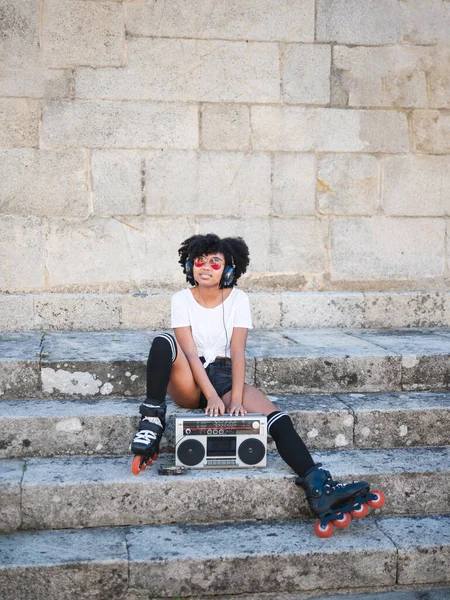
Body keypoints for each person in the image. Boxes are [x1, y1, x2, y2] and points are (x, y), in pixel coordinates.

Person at [130, 233, 377, 536]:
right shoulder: (180, 299)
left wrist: (234, 398)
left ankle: (317, 485)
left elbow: (237, 352)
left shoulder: (238, 299)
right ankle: (152, 417)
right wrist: (210, 396)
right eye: (199, 261)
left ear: (229, 270)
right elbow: (191, 353)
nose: (205, 267)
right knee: (164, 342)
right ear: (188, 265)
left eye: (215, 262)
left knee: (273, 414)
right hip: (188, 377)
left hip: (223, 372)